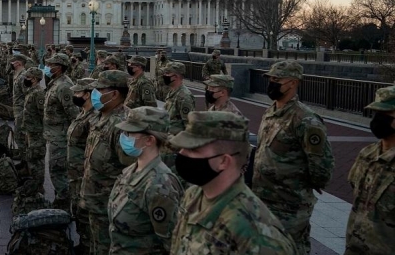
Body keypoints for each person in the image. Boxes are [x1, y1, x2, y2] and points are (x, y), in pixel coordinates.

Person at [169, 111, 296, 254]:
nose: (182, 154)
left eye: (193, 149)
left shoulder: (257, 233)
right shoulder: (193, 196)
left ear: (223, 161)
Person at [252, 61, 334, 255]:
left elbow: (322, 167)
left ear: (293, 83)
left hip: (290, 207)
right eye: (270, 79)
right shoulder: (271, 112)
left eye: (277, 79)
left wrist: (298, 186)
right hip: (264, 200)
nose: (272, 83)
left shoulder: (306, 119)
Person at [108, 107, 183, 254]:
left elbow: (172, 244)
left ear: (149, 140)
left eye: (129, 133)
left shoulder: (160, 185)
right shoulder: (131, 170)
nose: (124, 136)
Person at [80, 70, 131, 255]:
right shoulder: (100, 117)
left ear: (115, 93)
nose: (94, 94)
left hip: (109, 207)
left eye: (99, 90)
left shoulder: (122, 126)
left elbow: (129, 171)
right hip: (95, 202)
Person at [346, 86, 395, 254]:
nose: (377, 120)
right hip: (355, 247)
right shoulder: (367, 154)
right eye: (375, 114)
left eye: (384, 115)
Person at [42, 53, 78, 211]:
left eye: (51, 65)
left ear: (60, 67)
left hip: (61, 136)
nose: (48, 67)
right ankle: (61, 200)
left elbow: (73, 113)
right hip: (54, 134)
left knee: (57, 170)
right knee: (56, 170)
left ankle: (63, 204)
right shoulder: (56, 82)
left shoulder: (64, 86)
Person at [67, 77, 97, 255]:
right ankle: (84, 243)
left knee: (85, 214)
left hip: (84, 174)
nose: (75, 95)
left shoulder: (93, 117)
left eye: (78, 92)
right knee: (78, 210)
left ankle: (87, 246)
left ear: (87, 95)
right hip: (75, 172)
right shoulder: (83, 112)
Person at [22, 67, 47, 196]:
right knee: (31, 158)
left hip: (37, 132)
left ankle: (38, 187)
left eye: (28, 77)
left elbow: (43, 114)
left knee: (37, 160)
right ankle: (35, 184)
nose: (25, 79)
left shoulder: (39, 93)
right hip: (31, 131)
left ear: (35, 79)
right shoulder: (31, 91)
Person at [162, 62, 195, 135]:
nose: (164, 75)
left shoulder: (184, 97)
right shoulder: (173, 91)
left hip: (177, 141)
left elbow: (189, 126)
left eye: (167, 73)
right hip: (169, 137)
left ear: (175, 76)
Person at [10, 53, 31, 153]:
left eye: (13, 62)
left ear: (18, 63)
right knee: (19, 134)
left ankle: (24, 158)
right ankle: (22, 154)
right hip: (18, 109)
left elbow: (28, 95)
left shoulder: (23, 76)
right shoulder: (18, 75)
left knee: (19, 135)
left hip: (22, 110)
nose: (11, 64)